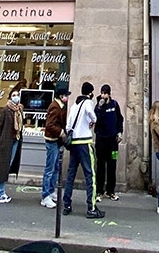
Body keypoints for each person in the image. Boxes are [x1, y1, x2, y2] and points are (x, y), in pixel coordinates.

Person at [62, 81, 105, 219]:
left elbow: (68, 126)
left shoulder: (74, 105)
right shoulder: (87, 103)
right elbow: (91, 114)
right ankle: (91, 208)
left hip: (74, 142)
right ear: (90, 92)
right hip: (84, 142)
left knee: (70, 175)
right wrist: (94, 120)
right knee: (90, 174)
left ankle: (66, 204)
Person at [0, 85, 25, 204]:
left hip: (15, 140)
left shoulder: (19, 109)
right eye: (14, 95)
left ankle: (1, 191)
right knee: (3, 167)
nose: (16, 97)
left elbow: (20, 126)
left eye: (17, 95)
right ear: (10, 98)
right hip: (6, 141)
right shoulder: (6, 110)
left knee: (8, 165)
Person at [41, 81, 69, 208]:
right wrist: (61, 132)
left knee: (55, 169)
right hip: (52, 140)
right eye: (66, 95)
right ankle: (45, 195)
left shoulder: (60, 106)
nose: (67, 98)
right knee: (50, 169)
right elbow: (50, 125)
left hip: (56, 141)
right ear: (61, 96)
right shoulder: (54, 106)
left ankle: (51, 192)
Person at [95, 83, 124, 201]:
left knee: (112, 165)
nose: (103, 95)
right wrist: (100, 108)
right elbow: (96, 119)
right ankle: (99, 191)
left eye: (105, 93)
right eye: (102, 93)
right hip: (101, 140)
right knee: (100, 165)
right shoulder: (98, 106)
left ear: (109, 93)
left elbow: (119, 118)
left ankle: (111, 191)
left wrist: (120, 132)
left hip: (113, 141)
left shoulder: (114, 104)